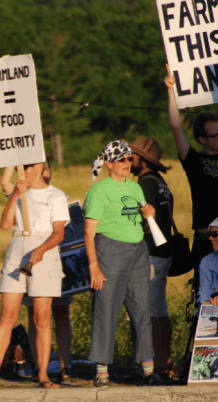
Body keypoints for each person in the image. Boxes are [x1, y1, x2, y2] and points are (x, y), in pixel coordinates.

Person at [0, 161, 69, 390]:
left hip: (45, 247)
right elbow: (4, 224)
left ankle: (42, 374)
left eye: (30, 166)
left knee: (41, 317)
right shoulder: (18, 191)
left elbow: (59, 231)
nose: (26, 170)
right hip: (18, 244)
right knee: (7, 314)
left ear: (41, 168)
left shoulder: (56, 195)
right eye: (23, 166)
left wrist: (41, 249)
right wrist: (15, 195)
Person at [85, 140, 159, 387]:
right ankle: (102, 371)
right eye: (122, 159)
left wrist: (150, 214)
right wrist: (94, 265)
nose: (128, 163)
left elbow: (140, 221)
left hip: (138, 250)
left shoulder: (136, 188)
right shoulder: (98, 190)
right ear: (109, 164)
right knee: (106, 309)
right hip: (109, 249)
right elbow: (88, 231)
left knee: (141, 307)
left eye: (129, 159)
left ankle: (148, 370)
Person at [165, 67, 218, 282]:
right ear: (202, 139)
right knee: (206, 302)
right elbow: (176, 126)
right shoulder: (194, 161)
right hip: (205, 240)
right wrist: (171, 91)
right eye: (216, 135)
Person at [129, 136, 175, 380]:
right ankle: (164, 361)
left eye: (132, 155)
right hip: (162, 253)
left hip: (149, 254)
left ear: (143, 159)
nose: (129, 159)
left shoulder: (145, 183)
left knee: (149, 313)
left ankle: (157, 365)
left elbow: (141, 220)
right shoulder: (160, 181)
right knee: (159, 310)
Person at [198, 217, 218, 306]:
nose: (210, 238)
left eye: (214, 234)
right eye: (209, 234)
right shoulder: (206, 262)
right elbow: (203, 297)